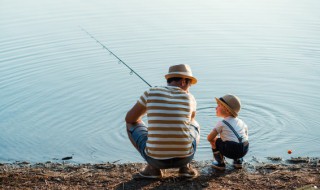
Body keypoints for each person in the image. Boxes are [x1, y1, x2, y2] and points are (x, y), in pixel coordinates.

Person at [125, 64, 200, 178]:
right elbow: (190, 121)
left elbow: (130, 119)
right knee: (195, 124)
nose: (189, 89)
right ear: (184, 82)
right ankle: (185, 167)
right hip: (184, 158)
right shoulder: (190, 98)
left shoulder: (151, 92)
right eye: (190, 85)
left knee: (131, 123)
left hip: (156, 160)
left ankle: (152, 168)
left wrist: (150, 112)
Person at [207, 94, 249, 170]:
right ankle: (238, 161)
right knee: (238, 139)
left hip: (230, 149)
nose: (216, 108)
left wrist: (218, 139)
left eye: (219, 106)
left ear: (227, 110)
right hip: (244, 148)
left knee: (214, 140)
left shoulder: (222, 123)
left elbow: (210, 138)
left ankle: (219, 163)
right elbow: (246, 135)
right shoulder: (241, 122)